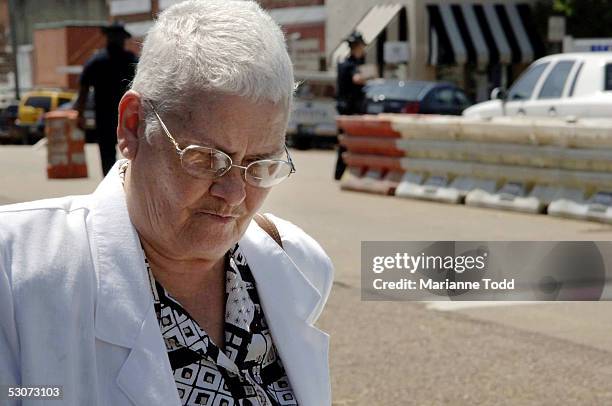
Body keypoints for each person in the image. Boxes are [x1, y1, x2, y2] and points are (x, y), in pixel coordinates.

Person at [0, 1, 334, 405]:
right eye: (206, 159)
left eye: (260, 164)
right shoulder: (16, 274)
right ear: (133, 125)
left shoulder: (296, 263)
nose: (234, 194)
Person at [74, 21, 138, 176]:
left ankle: (114, 183)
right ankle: (124, 182)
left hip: (109, 115)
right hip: (126, 115)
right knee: (132, 150)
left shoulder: (97, 60)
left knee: (109, 154)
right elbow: (83, 89)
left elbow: (83, 90)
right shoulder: (130, 60)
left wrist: (80, 114)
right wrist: (80, 114)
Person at [334, 31, 369, 180]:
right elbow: (357, 79)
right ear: (357, 47)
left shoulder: (343, 63)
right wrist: (369, 76)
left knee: (344, 141)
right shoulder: (352, 64)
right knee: (349, 142)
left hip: (344, 107)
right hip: (351, 108)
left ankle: (340, 172)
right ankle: (345, 172)